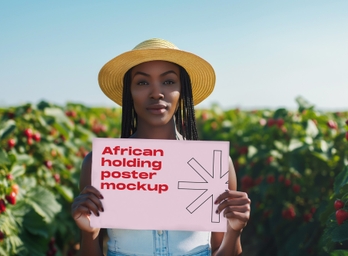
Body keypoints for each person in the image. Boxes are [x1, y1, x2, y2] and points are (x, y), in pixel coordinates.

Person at [71, 38, 251, 256]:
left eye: (168, 82)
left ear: (182, 91)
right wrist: (88, 235)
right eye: (142, 83)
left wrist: (234, 231)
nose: (156, 93)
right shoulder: (98, 164)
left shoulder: (216, 164)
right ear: (129, 92)